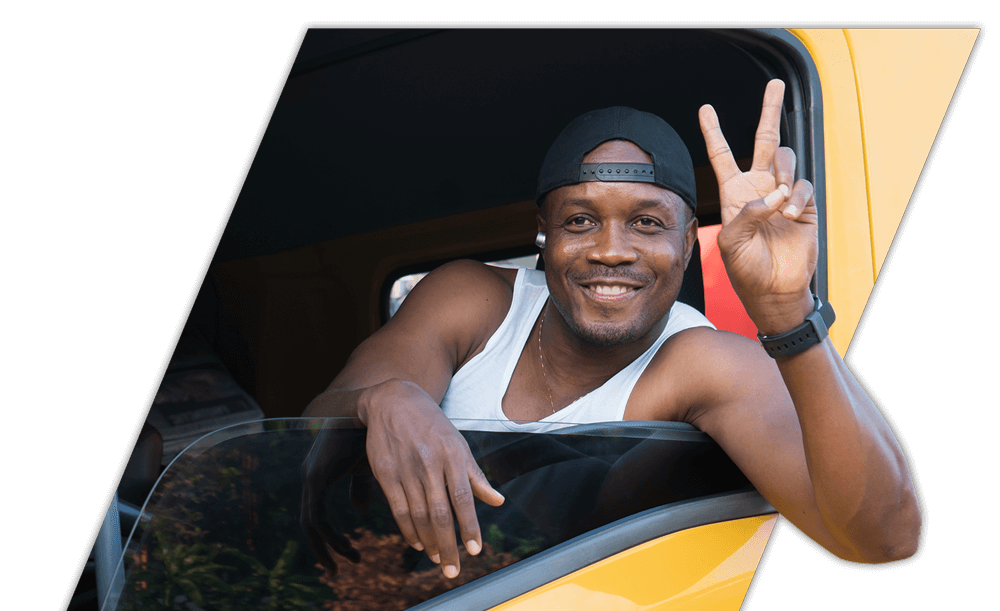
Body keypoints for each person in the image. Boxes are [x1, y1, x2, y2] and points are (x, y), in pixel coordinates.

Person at [300, 79, 921, 580]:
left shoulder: (701, 362)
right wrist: (387, 398)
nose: (610, 251)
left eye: (648, 224)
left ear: (686, 246)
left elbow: (883, 539)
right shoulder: (472, 298)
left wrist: (789, 313)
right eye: (579, 221)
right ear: (542, 235)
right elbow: (307, 426)